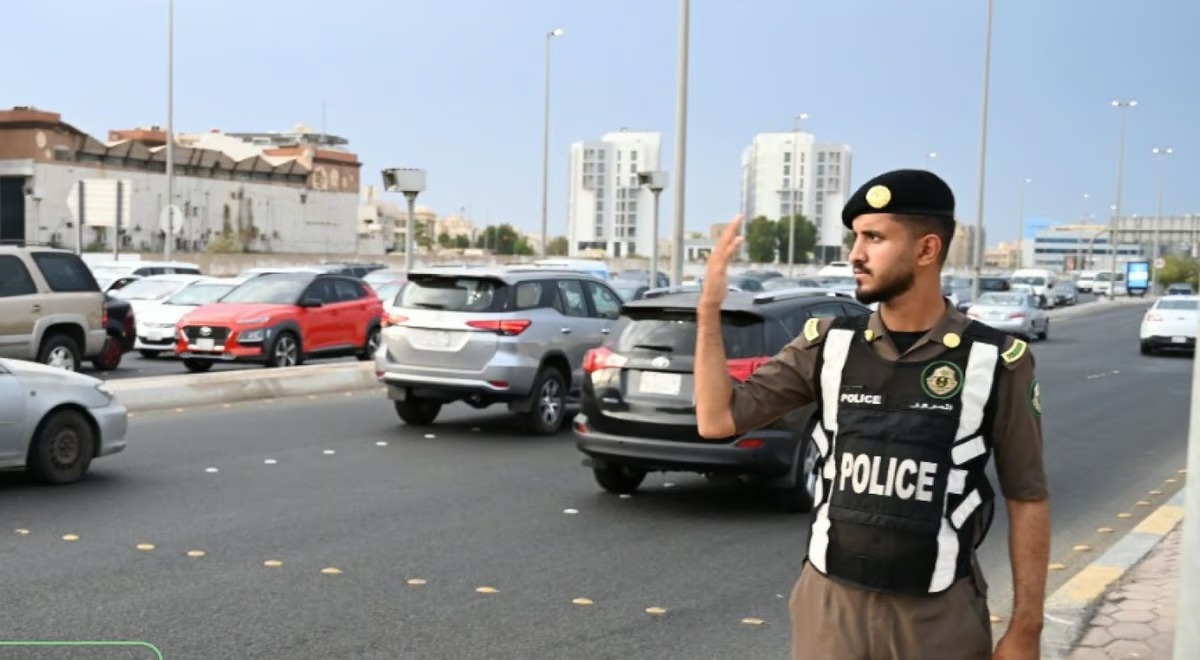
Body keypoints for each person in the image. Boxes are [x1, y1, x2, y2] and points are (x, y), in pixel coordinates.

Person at [694, 169, 1050, 660]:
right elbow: (717, 420)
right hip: (831, 607)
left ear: (926, 250)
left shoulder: (995, 359)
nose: (855, 254)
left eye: (874, 238)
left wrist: (1026, 626)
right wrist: (708, 310)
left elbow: (1027, 497)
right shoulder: (827, 344)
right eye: (855, 237)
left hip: (938, 615)